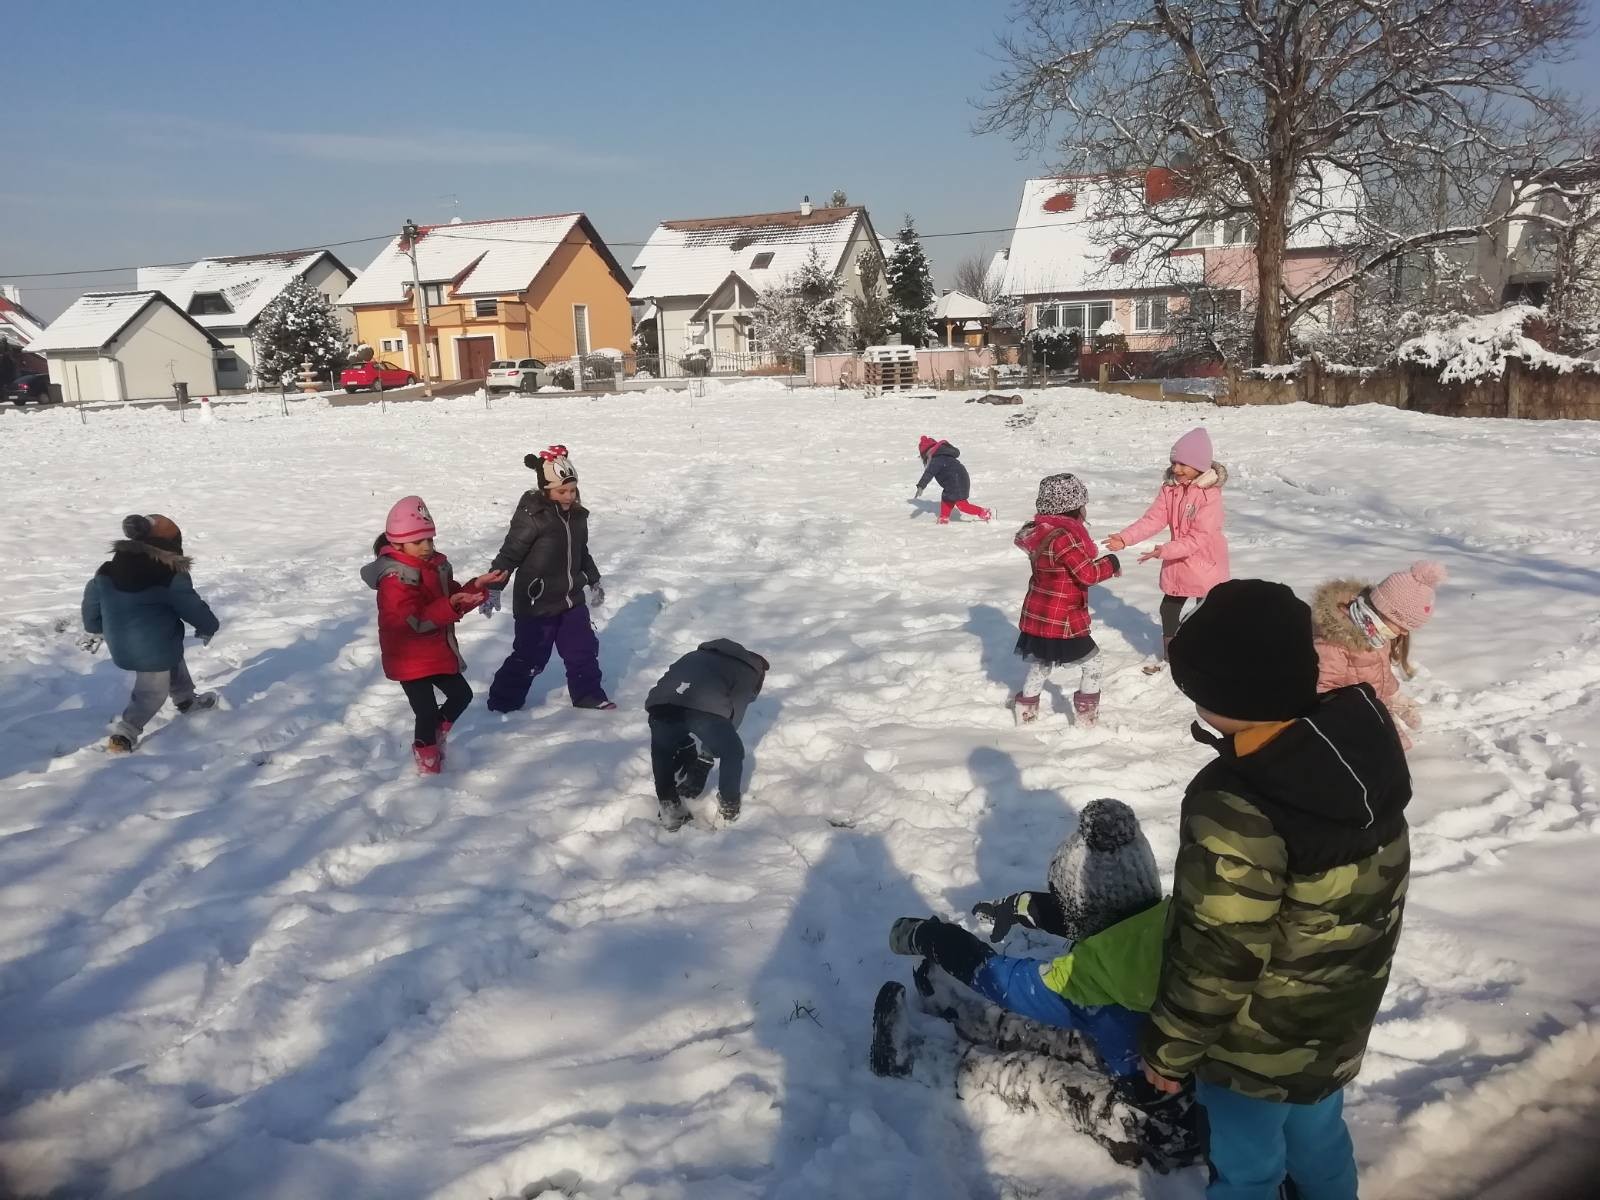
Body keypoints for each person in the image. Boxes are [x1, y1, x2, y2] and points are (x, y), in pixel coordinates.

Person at [1141, 579, 1412, 1200]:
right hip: (1337, 1017)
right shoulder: (1357, 749)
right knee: (1318, 1135)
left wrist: (1170, 1048)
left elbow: (1221, 949)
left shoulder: (1238, 803)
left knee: (1247, 1167)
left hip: (1253, 1046)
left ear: (1222, 694)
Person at [867, 799, 1201, 1172]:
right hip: (1185, 1075)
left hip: (1162, 1124)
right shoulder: (1176, 922)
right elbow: (1102, 914)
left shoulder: (1089, 975)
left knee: (1039, 1080)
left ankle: (912, 1059)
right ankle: (967, 1015)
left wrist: (934, 938)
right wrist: (1021, 907)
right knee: (1067, 1034)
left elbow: (1003, 980)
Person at [361, 496, 504, 774]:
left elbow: (451, 598)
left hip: (435, 651)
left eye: (429, 539)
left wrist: (476, 586)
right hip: (408, 657)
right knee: (425, 711)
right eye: (418, 542)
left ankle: (435, 734)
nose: (427, 546)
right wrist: (449, 605)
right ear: (398, 544)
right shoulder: (394, 580)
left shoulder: (433, 567)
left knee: (461, 695)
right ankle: (427, 760)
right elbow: (413, 621)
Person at [485, 446, 614, 713]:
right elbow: (510, 554)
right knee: (531, 657)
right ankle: (503, 702)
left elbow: (581, 551)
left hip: (571, 599)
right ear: (546, 490)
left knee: (583, 650)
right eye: (562, 491)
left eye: (573, 490)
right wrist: (494, 588)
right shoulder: (533, 517)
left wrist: (594, 579)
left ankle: (588, 695)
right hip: (537, 603)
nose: (569, 496)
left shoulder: (577, 517)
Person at [82, 514, 221, 753]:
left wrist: (94, 626)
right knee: (151, 692)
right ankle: (125, 733)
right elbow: (190, 605)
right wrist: (208, 626)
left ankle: (186, 700)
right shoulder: (170, 573)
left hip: (124, 641)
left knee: (173, 656)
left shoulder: (109, 569)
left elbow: (92, 600)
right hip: (150, 645)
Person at [1105, 427, 1229, 674]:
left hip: (1206, 563)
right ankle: (1173, 655)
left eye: (1183, 464)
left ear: (1199, 465)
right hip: (1178, 561)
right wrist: (1125, 538)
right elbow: (1153, 519)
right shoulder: (1170, 489)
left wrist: (1164, 551)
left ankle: (1206, 655)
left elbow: (1200, 537)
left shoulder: (1209, 496)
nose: (1176, 469)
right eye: (1174, 463)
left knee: (1204, 613)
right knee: (1169, 608)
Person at [1011, 473, 1121, 726]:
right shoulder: (1064, 537)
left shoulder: (1040, 532)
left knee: (1042, 663)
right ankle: (1086, 720)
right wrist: (1111, 563)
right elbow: (1088, 574)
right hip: (1063, 619)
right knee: (1093, 663)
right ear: (1073, 508)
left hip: (1039, 614)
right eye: (1083, 505)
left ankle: (1025, 713)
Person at [1313, 561, 1447, 749]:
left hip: (1374, 709)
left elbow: (1380, 671)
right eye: (1403, 625)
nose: (1404, 632)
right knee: (1383, 754)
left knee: (1397, 748)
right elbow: (1324, 690)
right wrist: (1355, 718)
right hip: (1348, 720)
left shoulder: (1377, 634)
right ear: (1384, 612)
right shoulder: (1334, 643)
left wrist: (1395, 697)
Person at [644, 639, 769, 829]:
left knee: (663, 751)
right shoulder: (747, 672)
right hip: (702, 712)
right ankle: (729, 806)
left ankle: (669, 806)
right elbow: (732, 719)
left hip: (660, 704)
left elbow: (670, 682)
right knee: (733, 751)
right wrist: (706, 758)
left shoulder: (695, 655)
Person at [914, 436, 992, 525]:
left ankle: (985, 513)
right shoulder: (943, 455)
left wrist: (921, 485)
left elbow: (929, 473)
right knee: (946, 498)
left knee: (962, 505)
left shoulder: (937, 459)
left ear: (927, 453)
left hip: (956, 482)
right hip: (957, 480)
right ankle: (943, 518)